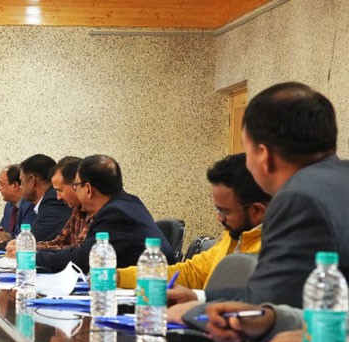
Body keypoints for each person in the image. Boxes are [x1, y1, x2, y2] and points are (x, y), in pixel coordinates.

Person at [203, 82, 349, 308]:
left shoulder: (297, 199)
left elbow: (265, 306)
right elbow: (285, 288)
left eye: (246, 148)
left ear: (263, 155)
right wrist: (199, 298)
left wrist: (192, 313)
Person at [119, 153, 269, 302]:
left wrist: (197, 298)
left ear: (257, 211)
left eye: (225, 212)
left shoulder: (277, 248)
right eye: (218, 211)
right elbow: (191, 273)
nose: (219, 218)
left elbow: (257, 299)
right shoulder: (234, 235)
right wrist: (119, 277)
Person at [34, 155, 173, 272]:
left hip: (148, 290)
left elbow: (84, 259)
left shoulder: (116, 215)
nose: (75, 191)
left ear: (88, 189)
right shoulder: (127, 203)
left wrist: (33, 257)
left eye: (76, 186)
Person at [4, 157, 87, 257]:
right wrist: (26, 248)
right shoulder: (77, 209)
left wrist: (31, 254)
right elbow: (61, 242)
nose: (58, 197)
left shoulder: (53, 202)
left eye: (60, 190)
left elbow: (79, 253)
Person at [22, 153, 72, 242]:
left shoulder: (53, 201)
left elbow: (32, 240)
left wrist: (5, 243)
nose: (59, 196)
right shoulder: (47, 200)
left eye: (21, 181)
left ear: (32, 179)